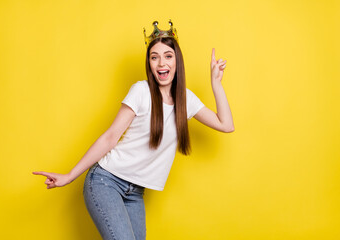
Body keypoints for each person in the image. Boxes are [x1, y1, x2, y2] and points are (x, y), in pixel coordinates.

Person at [33, 20, 234, 240]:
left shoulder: (184, 99)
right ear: (149, 63)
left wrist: (216, 84)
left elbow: (226, 125)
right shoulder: (141, 91)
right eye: (154, 57)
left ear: (177, 61)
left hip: (135, 193)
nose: (161, 63)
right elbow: (110, 138)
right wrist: (69, 176)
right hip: (105, 182)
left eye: (167, 55)